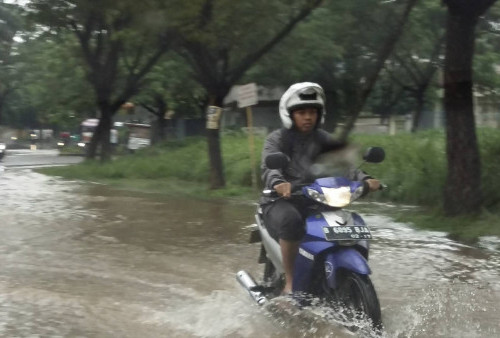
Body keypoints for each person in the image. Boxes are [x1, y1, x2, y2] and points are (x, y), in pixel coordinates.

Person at [260, 82, 380, 295]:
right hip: (281, 201)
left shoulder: (324, 139)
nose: (308, 117)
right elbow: (268, 168)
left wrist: (366, 179)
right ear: (290, 114)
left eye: (312, 112)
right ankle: (291, 283)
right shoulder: (277, 139)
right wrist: (279, 183)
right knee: (291, 221)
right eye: (302, 112)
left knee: (348, 220)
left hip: (317, 199)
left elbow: (345, 166)